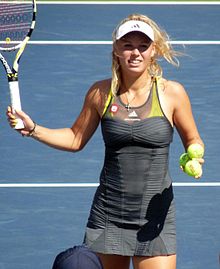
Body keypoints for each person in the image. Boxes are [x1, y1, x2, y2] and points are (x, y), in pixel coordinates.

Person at [7, 13, 204, 269]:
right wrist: (33, 129)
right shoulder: (100, 93)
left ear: (153, 51)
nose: (135, 52)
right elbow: (76, 138)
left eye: (143, 46)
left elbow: (193, 138)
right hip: (109, 216)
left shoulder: (172, 93)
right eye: (128, 45)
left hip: (154, 220)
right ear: (116, 50)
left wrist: (193, 153)